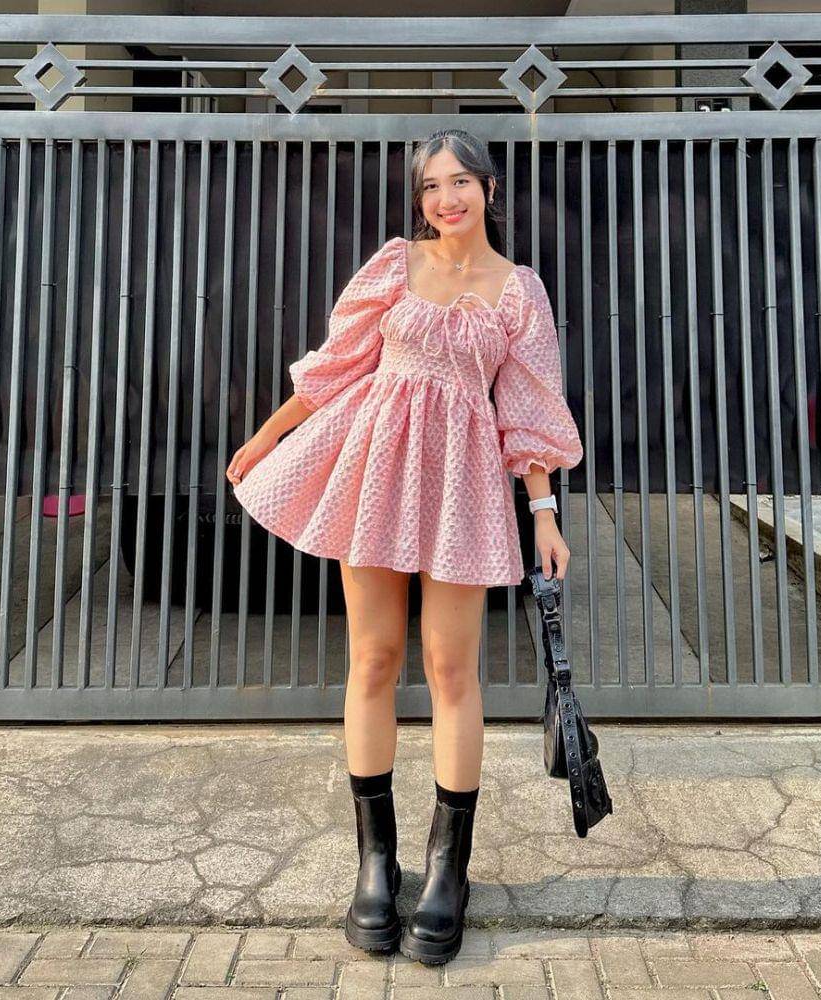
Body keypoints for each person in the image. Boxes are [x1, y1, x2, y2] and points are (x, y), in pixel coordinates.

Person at [226, 128, 583, 965]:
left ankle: (448, 871)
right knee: (374, 657)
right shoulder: (395, 264)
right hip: (378, 468)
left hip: (462, 482)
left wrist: (543, 512)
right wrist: (268, 435)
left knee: (452, 669)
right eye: (430, 186)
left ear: (489, 189)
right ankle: (375, 863)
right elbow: (337, 366)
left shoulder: (519, 291)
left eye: (460, 182)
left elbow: (528, 408)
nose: (445, 199)